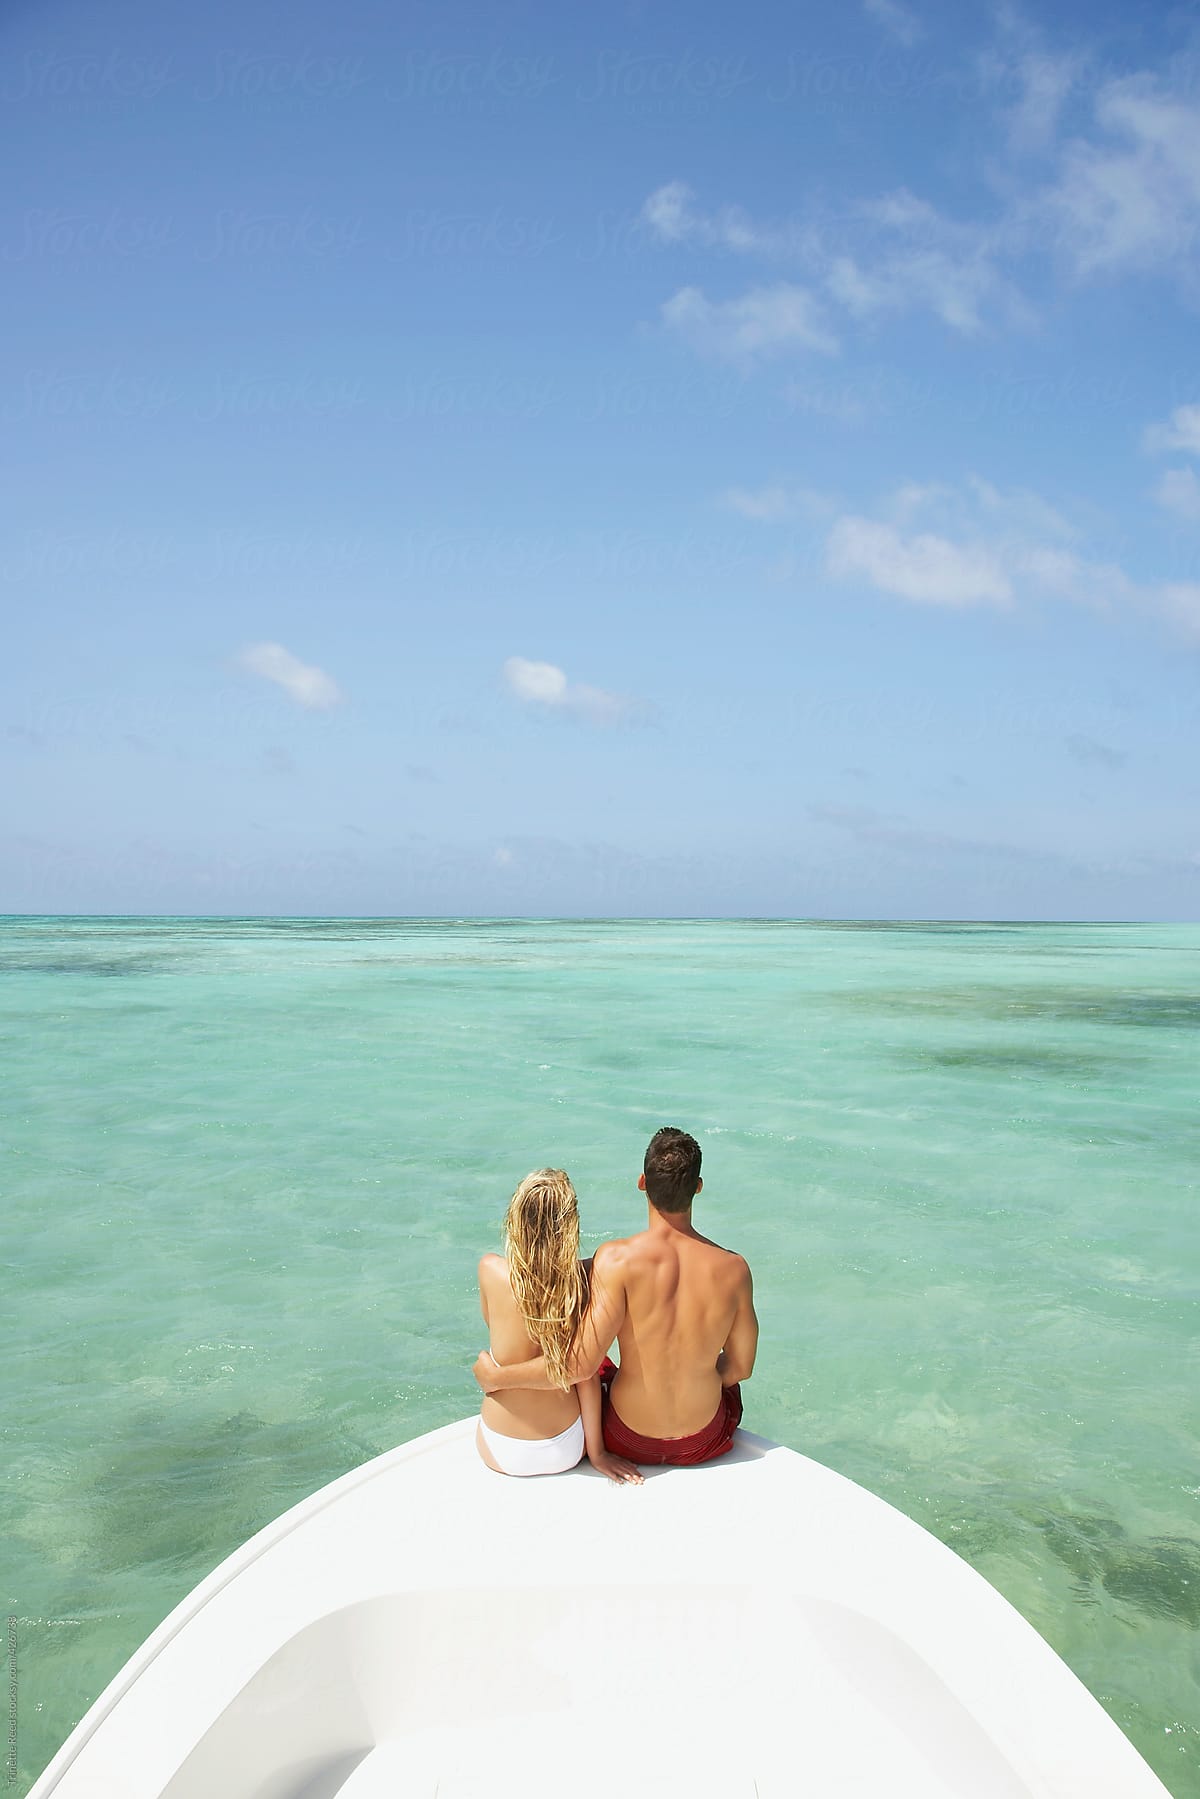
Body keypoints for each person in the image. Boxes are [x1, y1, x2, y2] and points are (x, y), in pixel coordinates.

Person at [475, 1128, 757, 1467]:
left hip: (628, 1438)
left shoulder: (616, 1260)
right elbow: (741, 1367)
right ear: (697, 1187)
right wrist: (701, 1377)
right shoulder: (735, 1269)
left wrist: (497, 1377)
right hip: (701, 1438)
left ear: (642, 1182)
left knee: (601, 1364)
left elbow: (580, 1366)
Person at [475, 1168, 643, 1484]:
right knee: (593, 1365)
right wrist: (597, 1454)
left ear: (514, 1217)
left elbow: (503, 1346)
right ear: (570, 1226)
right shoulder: (583, 1280)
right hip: (565, 1447)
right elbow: (584, 1377)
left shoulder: (489, 1270)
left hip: (500, 1444)